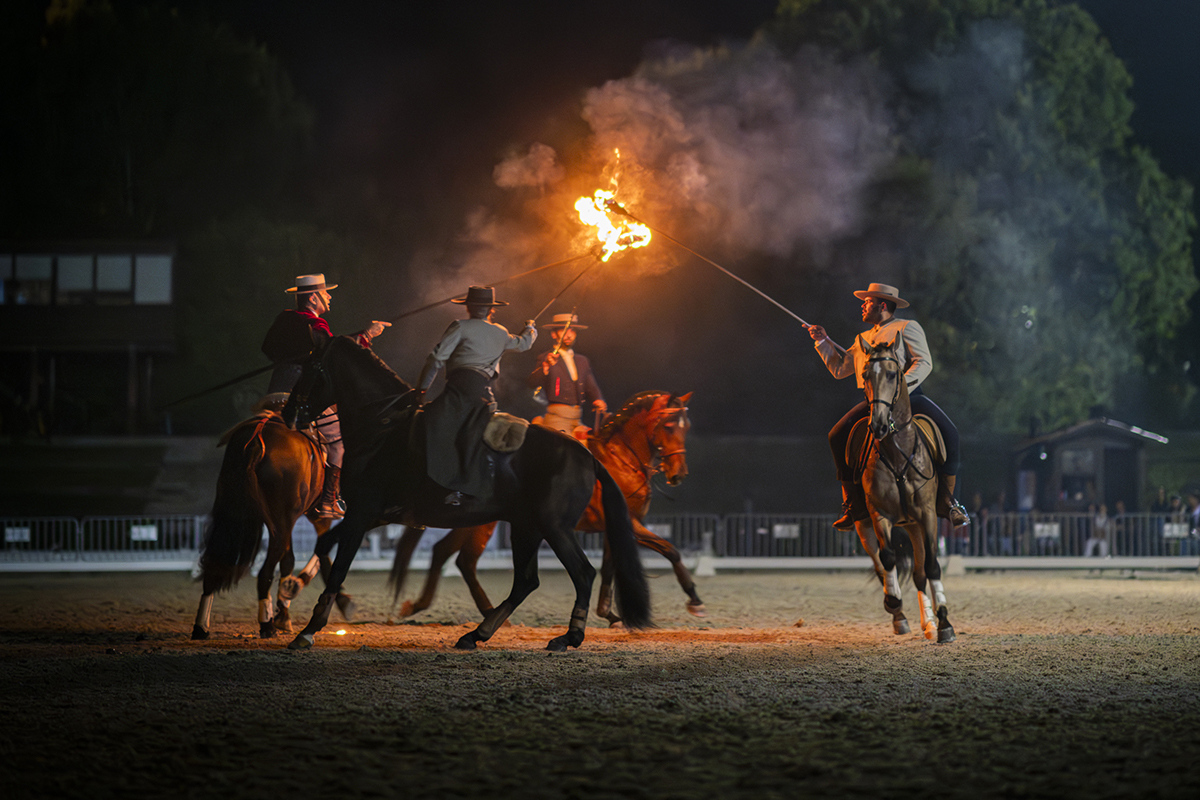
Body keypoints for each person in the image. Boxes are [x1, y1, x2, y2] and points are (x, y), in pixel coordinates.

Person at [807, 282, 969, 530]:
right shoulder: (862, 339)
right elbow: (840, 369)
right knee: (836, 435)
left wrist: (901, 389)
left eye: (868, 302)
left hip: (910, 398)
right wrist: (823, 342)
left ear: (882, 305)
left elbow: (924, 363)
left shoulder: (907, 328)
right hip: (873, 402)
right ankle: (852, 504)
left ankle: (948, 501)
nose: (863, 305)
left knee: (951, 434)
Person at [261, 273, 390, 518]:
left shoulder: (283, 319)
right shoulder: (316, 324)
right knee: (338, 440)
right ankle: (329, 501)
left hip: (275, 391)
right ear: (313, 298)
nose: (329, 297)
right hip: (302, 395)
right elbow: (335, 356)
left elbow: (266, 348)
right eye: (325, 292)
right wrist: (368, 335)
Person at [418, 285, 536, 504]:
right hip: (483, 392)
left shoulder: (460, 326)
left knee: (431, 424)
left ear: (468, 308)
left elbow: (436, 360)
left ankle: (440, 486)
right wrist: (530, 328)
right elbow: (524, 344)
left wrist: (421, 390)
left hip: (459, 389)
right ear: (491, 309)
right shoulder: (500, 332)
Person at [527, 313, 608, 437]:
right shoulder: (546, 358)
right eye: (564, 330)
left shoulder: (582, 361)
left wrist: (598, 399)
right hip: (557, 418)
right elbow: (532, 382)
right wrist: (546, 366)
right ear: (554, 334)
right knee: (559, 447)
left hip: (577, 418)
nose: (569, 334)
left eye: (572, 331)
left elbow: (590, 385)